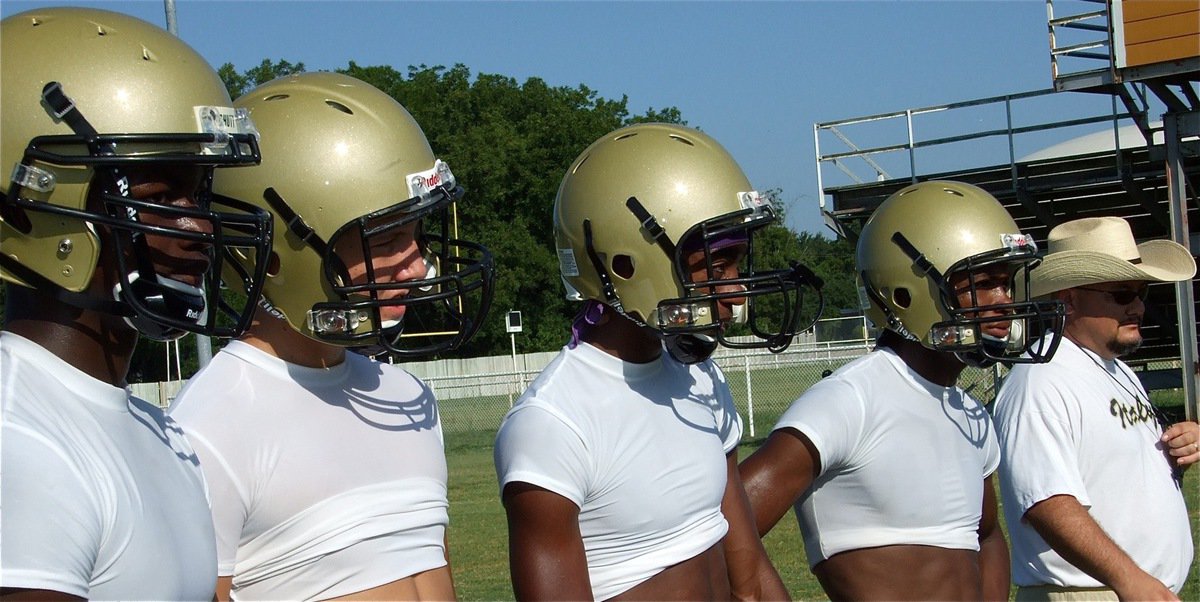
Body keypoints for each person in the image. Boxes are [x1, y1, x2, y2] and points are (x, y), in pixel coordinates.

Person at [169, 71, 495, 601]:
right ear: (278, 256)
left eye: (416, 234)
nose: (419, 268)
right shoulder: (211, 427)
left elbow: (433, 572)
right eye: (387, 238)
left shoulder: (406, 397)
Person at [0, 7, 271, 599]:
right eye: (159, 195)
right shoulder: (18, 440)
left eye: (199, 193)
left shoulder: (156, 431)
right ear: (32, 203)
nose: (199, 227)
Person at [494, 123, 821, 601]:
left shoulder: (700, 379)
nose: (736, 291)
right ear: (626, 263)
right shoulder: (553, 423)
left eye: (736, 264)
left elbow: (748, 579)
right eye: (714, 268)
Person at [740, 180, 1067, 601]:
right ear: (906, 291)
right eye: (984, 282)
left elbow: (986, 537)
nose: (1004, 301)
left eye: (1007, 282)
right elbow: (725, 528)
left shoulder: (969, 412)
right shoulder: (849, 400)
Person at [992, 216, 1197, 601]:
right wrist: (1128, 579)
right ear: (1068, 299)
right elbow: (1047, 502)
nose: (1137, 305)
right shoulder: (1041, 380)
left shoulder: (1116, 369)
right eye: (1121, 294)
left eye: (1141, 292)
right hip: (1089, 591)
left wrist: (1176, 451)